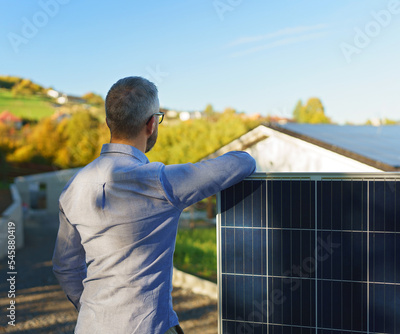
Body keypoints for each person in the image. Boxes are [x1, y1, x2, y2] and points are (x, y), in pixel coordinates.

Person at [52, 76, 256, 334]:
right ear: (151, 124)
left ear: (108, 123)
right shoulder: (160, 183)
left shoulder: (73, 187)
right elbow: (241, 163)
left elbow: (65, 266)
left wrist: (94, 312)